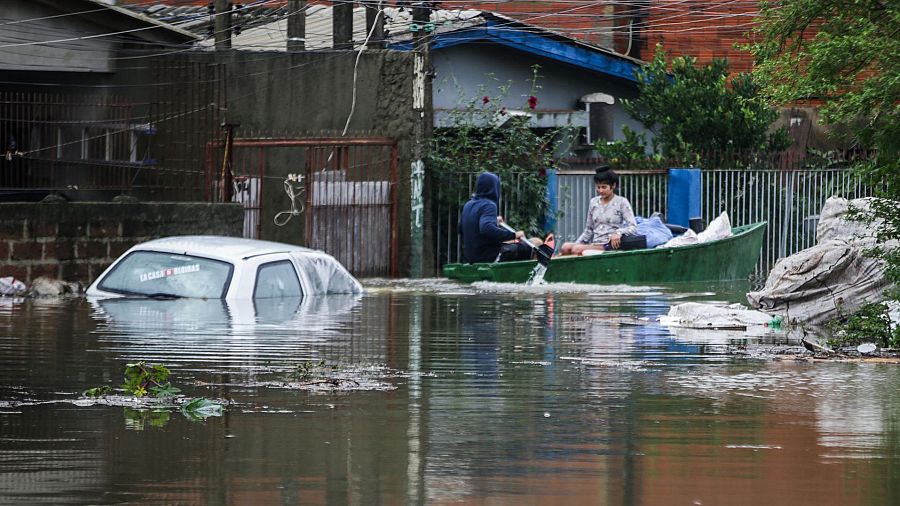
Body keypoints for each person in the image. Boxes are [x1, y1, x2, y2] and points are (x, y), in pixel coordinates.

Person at [459, 171, 543, 263]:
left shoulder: (468, 205)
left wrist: (493, 221)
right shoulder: (489, 205)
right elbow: (486, 228)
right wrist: (514, 235)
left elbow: (461, 228)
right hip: (490, 256)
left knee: (518, 244)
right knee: (536, 243)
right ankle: (533, 276)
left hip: (472, 257)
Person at [560, 166, 637, 255]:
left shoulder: (622, 202)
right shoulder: (593, 202)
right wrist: (577, 244)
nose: (600, 190)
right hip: (595, 243)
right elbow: (589, 230)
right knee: (565, 247)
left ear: (613, 185)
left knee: (577, 249)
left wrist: (618, 232)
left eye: (604, 187)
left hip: (609, 245)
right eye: (598, 187)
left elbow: (633, 227)